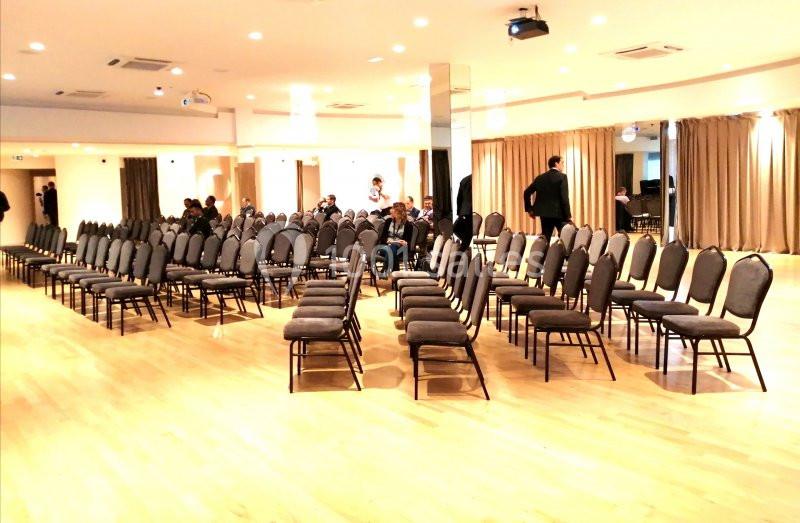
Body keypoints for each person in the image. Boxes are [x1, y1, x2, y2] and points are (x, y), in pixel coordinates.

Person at [523, 155, 571, 241]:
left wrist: (529, 209)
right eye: (562, 163)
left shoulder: (540, 178)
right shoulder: (562, 177)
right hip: (559, 214)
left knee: (546, 239)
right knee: (565, 238)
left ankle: (544, 250)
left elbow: (526, 192)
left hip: (544, 214)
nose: (563, 165)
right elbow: (564, 198)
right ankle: (562, 250)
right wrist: (568, 215)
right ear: (556, 164)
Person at [377, 202, 414, 271]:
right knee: (392, 249)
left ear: (399, 213)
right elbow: (382, 238)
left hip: (400, 249)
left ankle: (386, 270)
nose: (391, 212)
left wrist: (405, 242)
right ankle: (395, 272)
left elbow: (408, 242)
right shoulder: (388, 221)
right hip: (385, 247)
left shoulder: (408, 225)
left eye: (393, 211)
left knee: (392, 249)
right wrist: (388, 241)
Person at [453, 174, 473, 249]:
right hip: (469, 211)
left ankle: (464, 246)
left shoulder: (465, 180)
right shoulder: (470, 180)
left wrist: (459, 212)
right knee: (465, 232)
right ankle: (465, 246)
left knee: (458, 229)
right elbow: (460, 197)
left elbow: (459, 198)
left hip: (464, 211)